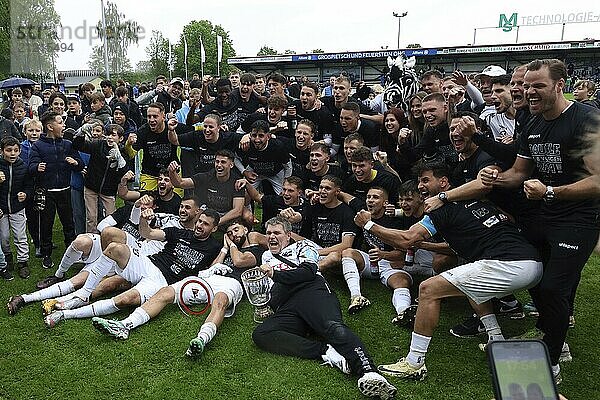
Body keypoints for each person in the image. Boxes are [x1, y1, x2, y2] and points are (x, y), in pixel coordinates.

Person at [354, 161, 542, 381]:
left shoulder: (439, 210)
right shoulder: (475, 198)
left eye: (425, 180)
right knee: (467, 278)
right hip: (533, 264)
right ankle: (496, 338)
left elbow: (407, 240)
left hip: (508, 265)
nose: (420, 186)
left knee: (428, 289)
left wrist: (368, 225)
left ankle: (414, 363)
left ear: (443, 182)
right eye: (418, 182)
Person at [479, 59, 600, 383]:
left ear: (560, 86)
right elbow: (519, 173)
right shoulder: (532, 124)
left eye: (538, 86)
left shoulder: (586, 119)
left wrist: (551, 191)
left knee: (553, 287)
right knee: (530, 273)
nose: (529, 92)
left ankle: (553, 359)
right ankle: (551, 334)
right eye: (527, 85)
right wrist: (491, 177)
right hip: (546, 212)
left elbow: (599, 179)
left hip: (580, 217)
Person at [252, 216, 397, 399]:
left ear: (288, 235)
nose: (271, 237)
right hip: (287, 306)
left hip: (312, 291)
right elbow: (271, 288)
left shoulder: (304, 247)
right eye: (268, 233)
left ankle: (369, 372)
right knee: (261, 334)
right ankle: (325, 351)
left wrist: (275, 273)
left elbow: (308, 272)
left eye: (277, 233)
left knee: (333, 327)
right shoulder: (266, 256)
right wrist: (267, 305)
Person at [91, 220, 264, 358]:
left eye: (236, 230)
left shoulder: (255, 251)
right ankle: (124, 326)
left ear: (247, 231)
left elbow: (239, 262)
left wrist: (230, 244)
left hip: (231, 283)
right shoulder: (224, 249)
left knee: (220, 301)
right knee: (165, 292)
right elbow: (213, 267)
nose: (233, 234)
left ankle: (201, 339)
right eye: (230, 232)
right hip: (210, 278)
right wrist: (224, 249)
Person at [43, 207, 222, 328]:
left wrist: (225, 249)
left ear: (214, 229)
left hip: (162, 281)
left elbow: (213, 272)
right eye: (199, 221)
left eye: (205, 224)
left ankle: (66, 314)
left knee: (124, 300)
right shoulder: (180, 232)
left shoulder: (214, 247)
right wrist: (144, 220)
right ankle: (82, 295)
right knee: (114, 248)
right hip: (148, 263)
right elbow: (148, 233)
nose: (199, 226)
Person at [340, 187, 415, 318]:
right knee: (348, 252)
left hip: (391, 263)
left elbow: (403, 253)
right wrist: (331, 192)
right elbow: (348, 198)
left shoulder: (395, 221)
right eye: (368, 197)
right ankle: (356, 296)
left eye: (375, 197)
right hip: (370, 260)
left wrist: (383, 255)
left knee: (402, 282)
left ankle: (403, 312)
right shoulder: (363, 214)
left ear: (385, 203)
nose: (370, 200)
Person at [29, 111, 84, 270]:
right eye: (61, 123)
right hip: (47, 192)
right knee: (46, 224)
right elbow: (30, 167)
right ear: (50, 126)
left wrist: (75, 162)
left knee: (68, 222)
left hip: (65, 190)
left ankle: (72, 251)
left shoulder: (67, 144)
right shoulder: (38, 146)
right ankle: (46, 254)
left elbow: (80, 164)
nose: (64, 125)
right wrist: (37, 167)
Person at [168, 150, 250, 227]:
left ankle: (246, 234)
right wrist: (172, 172)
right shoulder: (207, 177)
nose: (219, 165)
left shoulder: (237, 182)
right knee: (194, 213)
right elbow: (180, 183)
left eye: (223, 162)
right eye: (217, 162)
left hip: (229, 212)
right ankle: (190, 233)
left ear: (231, 165)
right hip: (210, 211)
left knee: (248, 217)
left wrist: (216, 223)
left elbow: (237, 211)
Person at [0, 136, 32, 278]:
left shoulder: (23, 166)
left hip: (17, 207)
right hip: (1, 209)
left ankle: (23, 262)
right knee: (4, 236)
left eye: (16, 150)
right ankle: (7, 256)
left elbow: (29, 186)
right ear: (1, 151)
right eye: (8, 150)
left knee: (20, 236)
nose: (12, 153)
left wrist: (25, 194)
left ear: (19, 151)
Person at [235, 120, 291, 195]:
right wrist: (244, 172)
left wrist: (286, 181)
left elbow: (288, 165)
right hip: (255, 172)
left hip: (276, 173)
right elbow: (235, 159)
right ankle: (247, 207)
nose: (257, 140)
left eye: (261, 136)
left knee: (284, 195)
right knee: (243, 193)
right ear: (250, 135)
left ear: (268, 136)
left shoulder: (278, 146)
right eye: (254, 135)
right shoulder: (246, 144)